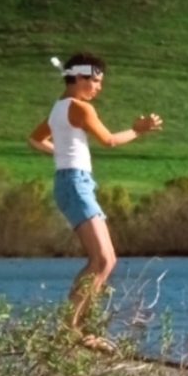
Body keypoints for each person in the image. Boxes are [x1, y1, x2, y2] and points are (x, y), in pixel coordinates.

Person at [28, 52, 162, 342]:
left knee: (107, 260)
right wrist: (138, 131)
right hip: (75, 184)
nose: (99, 87)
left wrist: (62, 156)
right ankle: (69, 329)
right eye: (95, 81)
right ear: (78, 77)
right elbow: (109, 140)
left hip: (73, 182)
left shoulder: (58, 108)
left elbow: (34, 139)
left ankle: (82, 330)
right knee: (101, 259)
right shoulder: (80, 108)